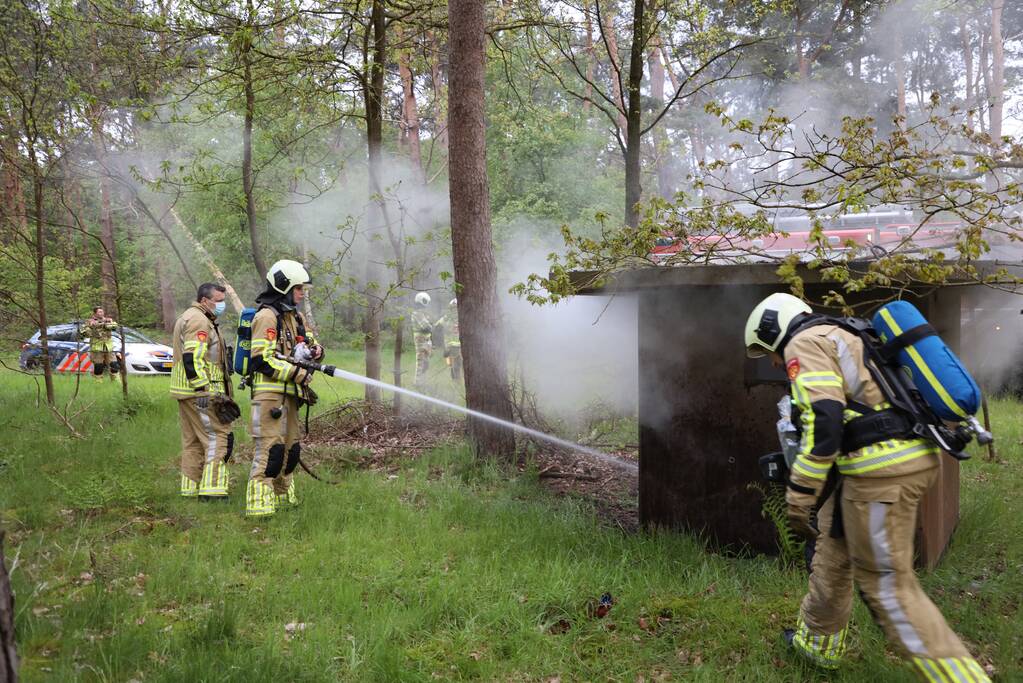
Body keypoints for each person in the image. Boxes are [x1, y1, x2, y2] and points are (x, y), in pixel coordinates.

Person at [744, 292, 990, 683]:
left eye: (767, 351)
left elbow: (824, 422)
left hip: (880, 471)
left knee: (889, 590)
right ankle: (818, 645)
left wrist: (799, 493)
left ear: (773, 329)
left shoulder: (803, 343)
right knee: (833, 548)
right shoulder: (846, 334)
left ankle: (963, 679)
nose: (775, 362)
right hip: (886, 463)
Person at [245, 260, 323, 517]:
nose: (302, 293)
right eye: (299, 288)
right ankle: (259, 502)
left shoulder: (295, 317)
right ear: (284, 286)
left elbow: (310, 342)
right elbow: (261, 358)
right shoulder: (266, 316)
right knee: (271, 448)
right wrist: (299, 373)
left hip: (291, 393)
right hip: (270, 394)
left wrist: (316, 350)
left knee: (291, 449)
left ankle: (283, 497)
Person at [170, 283, 237, 499]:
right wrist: (203, 389)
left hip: (185, 390)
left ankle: (189, 489)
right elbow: (192, 357)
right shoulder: (199, 320)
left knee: (193, 442)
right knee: (218, 437)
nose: (221, 305)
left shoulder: (189, 316)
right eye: (217, 300)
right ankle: (213, 491)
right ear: (204, 300)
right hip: (201, 392)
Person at [83, 307, 118, 382]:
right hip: (97, 346)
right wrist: (92, 327)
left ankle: (116, 382)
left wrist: (105, 324)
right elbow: (85, 332)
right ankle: (98, 382)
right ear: (95, 313)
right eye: (99, 312)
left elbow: (114, 326)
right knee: (98, 366)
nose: (101, 313)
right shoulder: (89, 321)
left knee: (114, 364)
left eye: (102, 311)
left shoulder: (108, 320)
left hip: (109, 347)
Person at [411, 291, 435, 387]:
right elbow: (426, 327)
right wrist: (432, 326)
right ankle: (418, 383)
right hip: (421, 341)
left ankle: (423, 382)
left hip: (426, 341)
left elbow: (429, 326)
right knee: (421, 363)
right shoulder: (417, 313)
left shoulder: (423, 313)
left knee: (426, 363)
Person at [438, 298, 462, 381]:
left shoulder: (447, 318)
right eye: (453, 308)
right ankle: (456, 381)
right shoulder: (447, 318)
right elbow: (437, 328)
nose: (455, 310)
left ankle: (456, 380)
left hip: (453, 346)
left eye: (456, 308)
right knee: (455, 364)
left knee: (455, 364)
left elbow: (437, 327)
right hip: (451, 347)